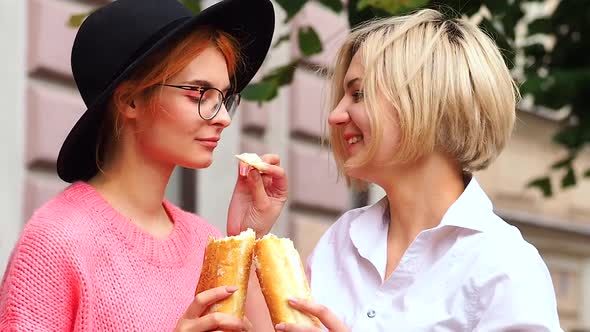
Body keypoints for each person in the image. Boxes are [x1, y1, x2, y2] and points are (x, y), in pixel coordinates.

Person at [274, 8, 564, 332]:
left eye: (358, 93)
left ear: (427, 100)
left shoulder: (504, 266)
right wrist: (251, 233)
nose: (336, 115)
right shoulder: (340, 241)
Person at [0, 0, 283, 330]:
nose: (222, 118)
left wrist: (245, 238)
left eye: (224, 97)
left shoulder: (205, 241)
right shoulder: (57, 240)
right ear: (130, 100)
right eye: (199, 93)